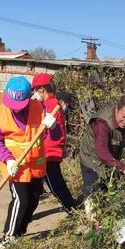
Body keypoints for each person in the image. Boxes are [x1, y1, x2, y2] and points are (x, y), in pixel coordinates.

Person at [0, 76, 56, 248]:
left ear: (29, 97)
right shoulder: (0, 113)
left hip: (35, 165)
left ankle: (19, 232)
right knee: (21, 200)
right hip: (15, 167)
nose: (16, 109)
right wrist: (8, 160)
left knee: (33, 200)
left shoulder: (39, 108)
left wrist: (52, 126)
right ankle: (8, 237)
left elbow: (52, 136)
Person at [79, 94, 125, 197]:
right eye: (124, 116)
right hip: (91, 158)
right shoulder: (102, 122)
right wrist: (123, 168)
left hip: (110, 159)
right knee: (94, 194)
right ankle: (85, 207)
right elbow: (101, 150)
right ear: (117, 109)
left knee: (114, 192)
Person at [31, 74, 77, 212]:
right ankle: (71, 206)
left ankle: (72, 209)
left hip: (48, 152)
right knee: (45, 183)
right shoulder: (50, 103)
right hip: (50, 150)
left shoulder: (50, 105)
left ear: (41, 89)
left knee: (55, 184)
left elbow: (48, 131)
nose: (33, 93)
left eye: (34, 90)